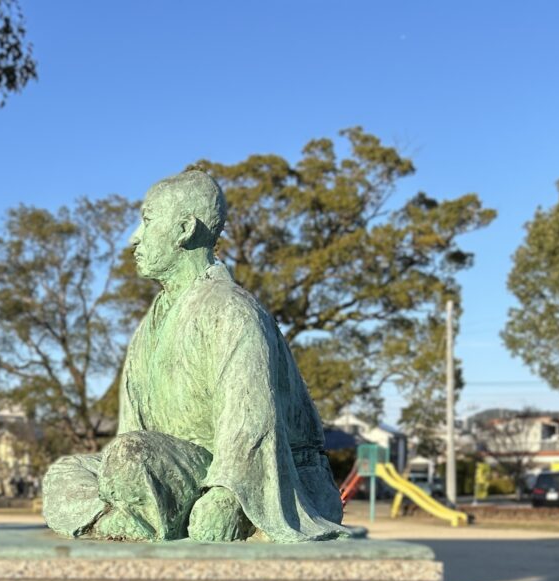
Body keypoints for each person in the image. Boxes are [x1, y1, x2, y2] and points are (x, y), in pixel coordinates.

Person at [42, 168, 348, 542]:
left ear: (184, 230)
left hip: (239, 471)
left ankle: (141, 516)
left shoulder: (232, 310)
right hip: (160, 465)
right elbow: (133, 433)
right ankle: (120, 519)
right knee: (66, 474)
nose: (134, 239)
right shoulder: (148, 326)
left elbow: (250, 425)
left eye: (147, 222)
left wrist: (227, 495)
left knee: (133, 460)